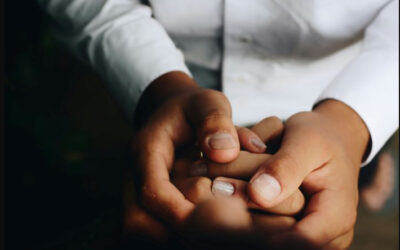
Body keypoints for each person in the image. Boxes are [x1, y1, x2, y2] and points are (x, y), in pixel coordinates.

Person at [38, 0, 399, 249]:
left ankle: (364, 164)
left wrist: (352, 124)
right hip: (162, 76)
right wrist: (158, 89)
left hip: (337, 81)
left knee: (344, 171)